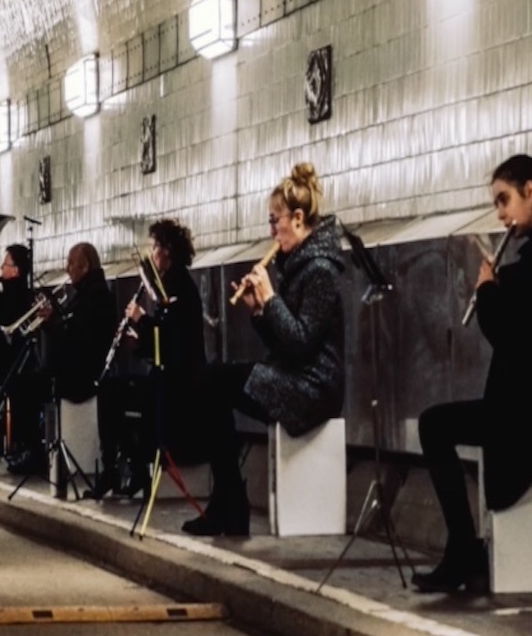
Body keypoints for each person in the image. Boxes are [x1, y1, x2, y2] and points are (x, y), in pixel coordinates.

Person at [413, 153, 532, 593]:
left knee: (435, 425)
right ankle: (463, 549)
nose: (501, 213)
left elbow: (511, 334)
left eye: (504, 200)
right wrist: (499, 286)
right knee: (439, 424)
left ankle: (463, 550)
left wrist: (488, 290)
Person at [182, 163, 346, 537]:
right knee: (211, 382)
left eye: (275, 222)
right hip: (296, 376)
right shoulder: (301, 265)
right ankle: (228, 502)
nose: (271, 231)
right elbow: (284, 344)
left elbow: (302, 344)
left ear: (299, 219)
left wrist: (271, 298)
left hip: (315, 389)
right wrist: (259, 311)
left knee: (213, 382)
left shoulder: (320, 269)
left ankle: (230, 504)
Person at [92, 219, 205, 499]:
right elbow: (158, 341)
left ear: (168, 250)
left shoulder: (179, 287)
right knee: (110, 389)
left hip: (179, 380)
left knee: (119, 394)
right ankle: (120, 467)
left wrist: (141, 320)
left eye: (155, 246)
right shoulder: (167, 284)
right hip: (164, 373)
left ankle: (133, 468)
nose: (152, 252)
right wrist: (137, 342)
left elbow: (172, 339)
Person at [4, 241, 118, 476]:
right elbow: (71, 329)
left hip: (81, 373)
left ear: (85, 266)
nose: (67, 269)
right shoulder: (87, 293)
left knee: (24, 387)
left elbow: (77, 337)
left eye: (71, 263)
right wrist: (52, 321)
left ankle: (35, 452)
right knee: (21, 382)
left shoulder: (95, 296)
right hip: (73, 367)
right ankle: (31, 449)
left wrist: (53, 321)